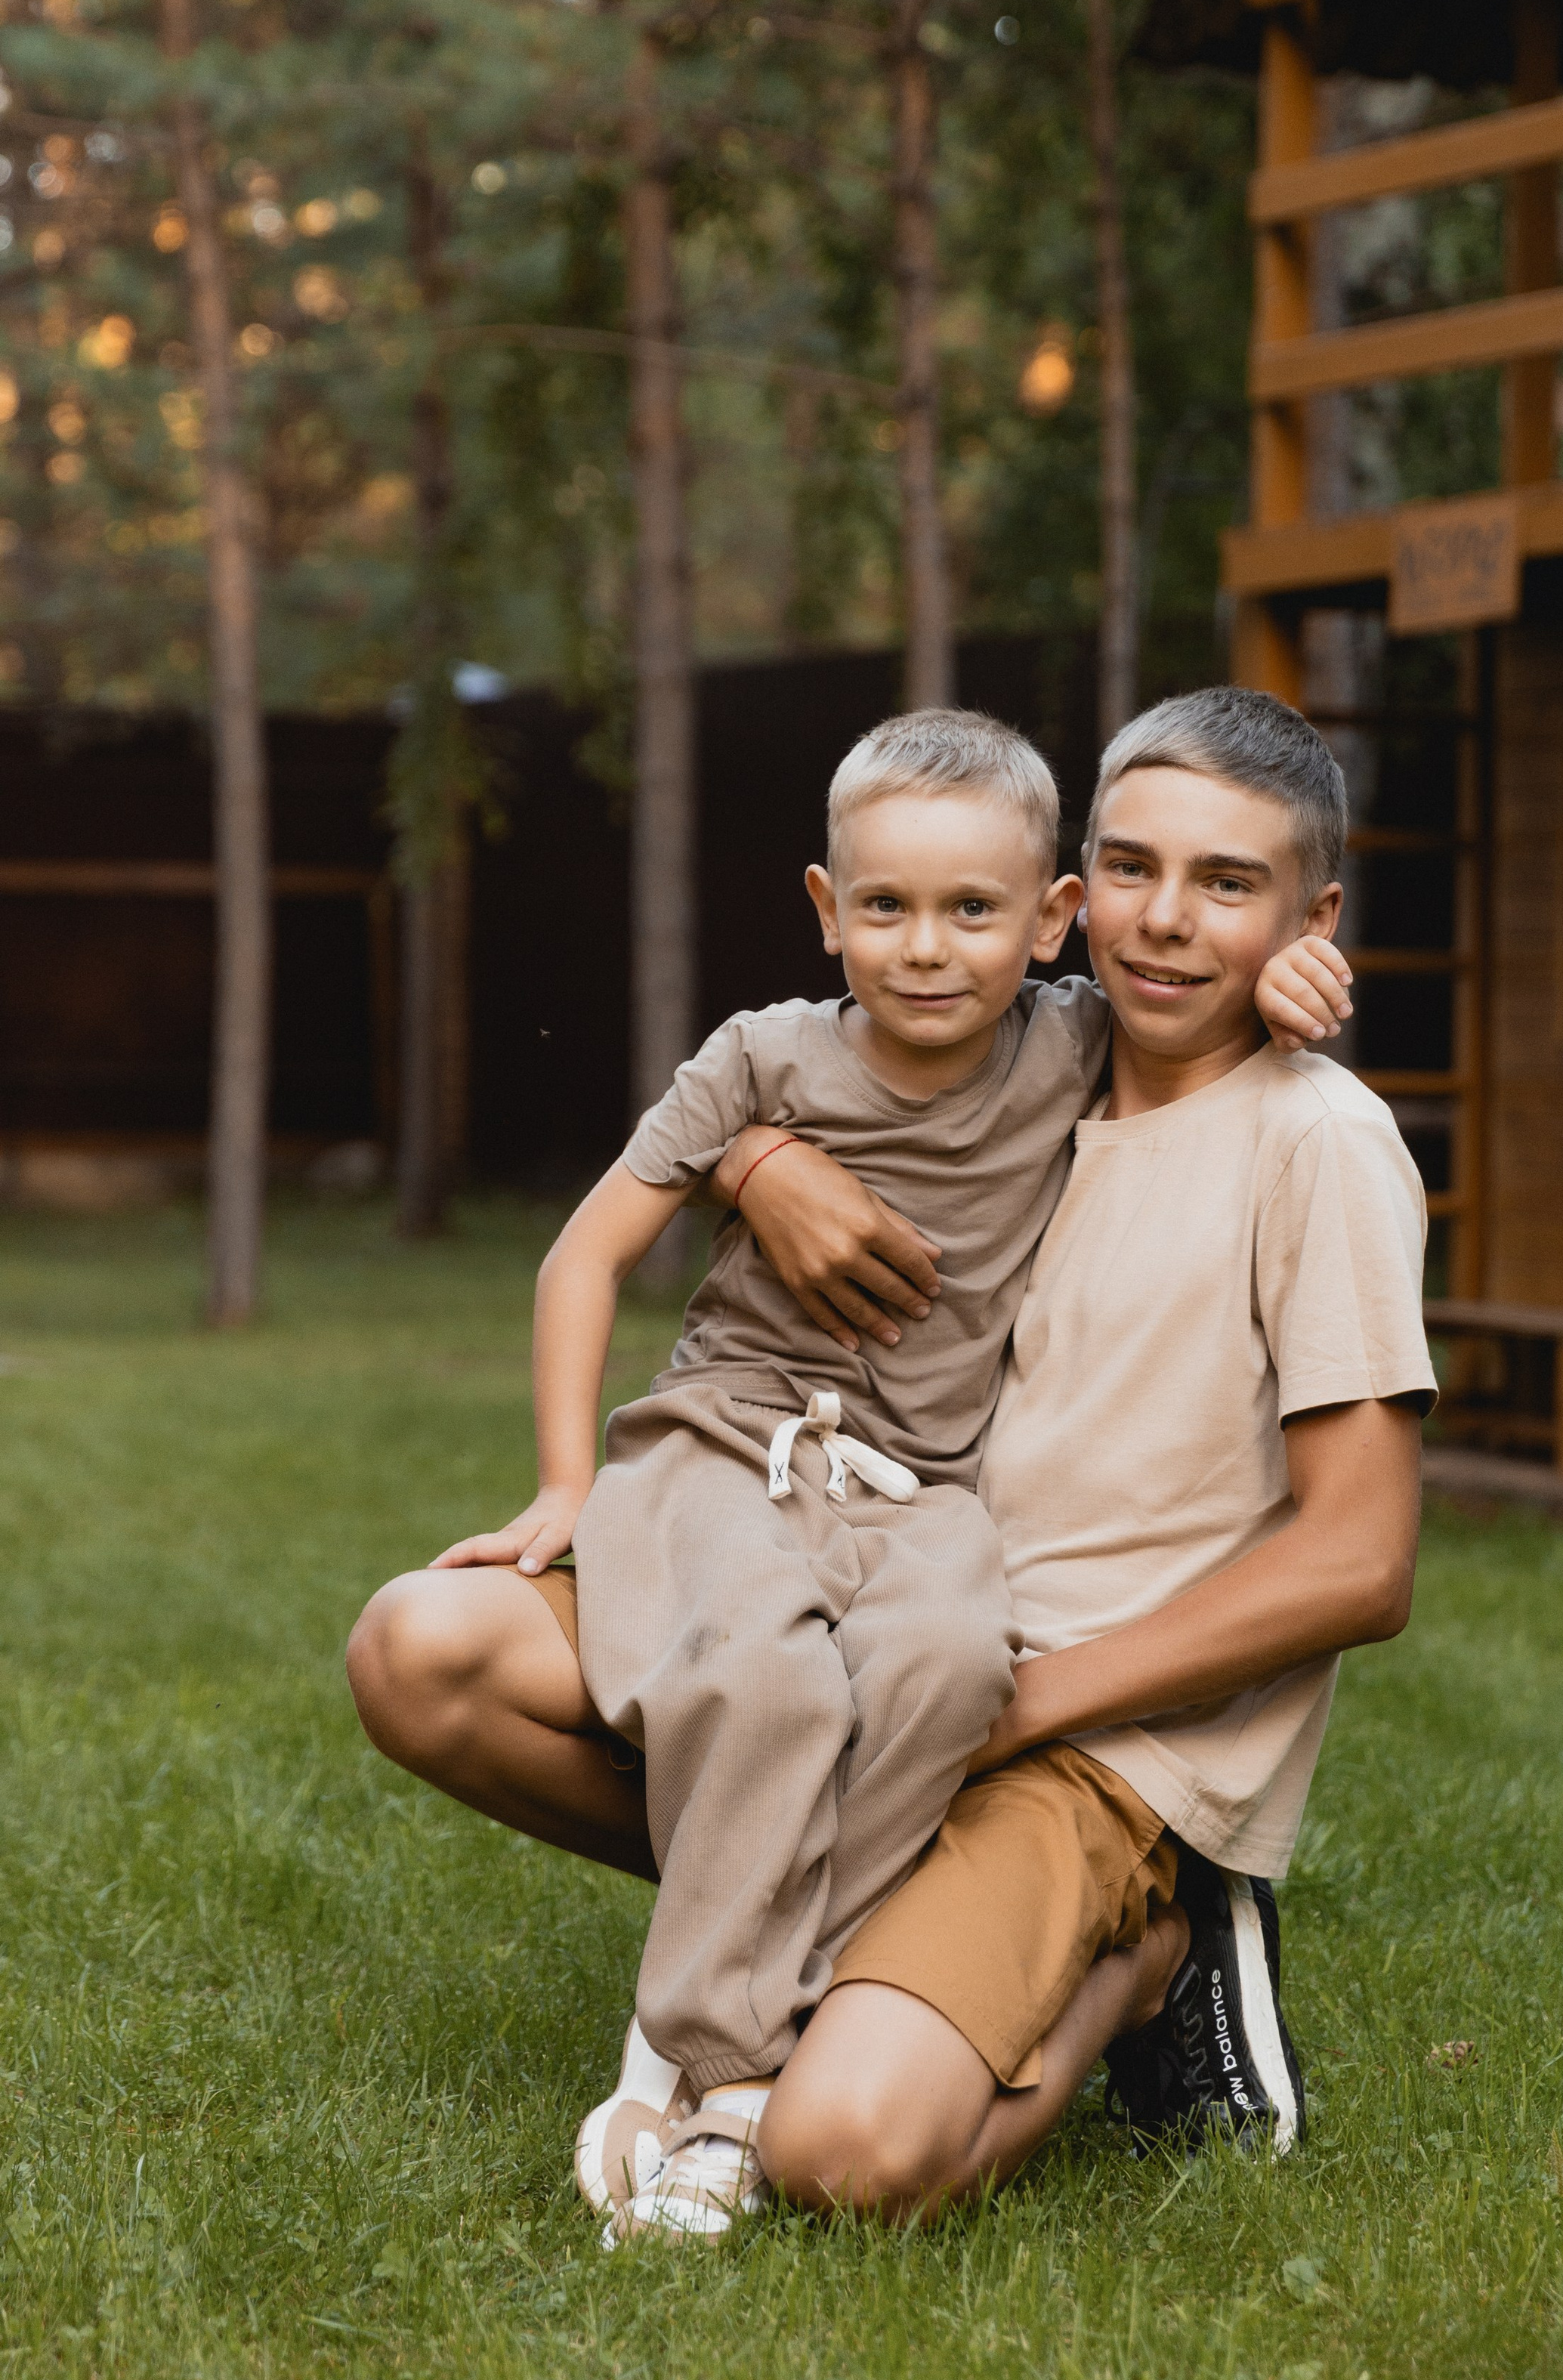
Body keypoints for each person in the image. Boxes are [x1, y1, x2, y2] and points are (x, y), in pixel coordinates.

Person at [347, 706, 1348, 2242]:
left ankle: (1001, 1978)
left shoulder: (1100, 1045)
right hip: (737, 1456)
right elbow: (595, 1244)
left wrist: (1299, 983)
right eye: (883, 906)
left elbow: (1195, 995)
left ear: (1041, 920)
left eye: (974, 913)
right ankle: (708, 2058)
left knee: (941, 1674)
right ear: (826, 909)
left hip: (925, 1508)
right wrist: (569, 1472)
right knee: (752, 1679)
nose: (931, 949)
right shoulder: (773, 1054)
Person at [753, 685, 1436, 2220]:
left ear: (1313, 918)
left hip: (1084, 1739)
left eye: (1227, 885)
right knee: (435, 1654)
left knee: (839, 2158)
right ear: (1069, 890)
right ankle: (872, 1933)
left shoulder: (1310, 1140)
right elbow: (795, 1055)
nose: (1164, 923)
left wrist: (1018, 1710)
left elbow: (1360, 1561)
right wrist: (759, 1158)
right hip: (895, 1650)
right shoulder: (1024, 1067)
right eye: (1129, 868)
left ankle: (1152, 1954)